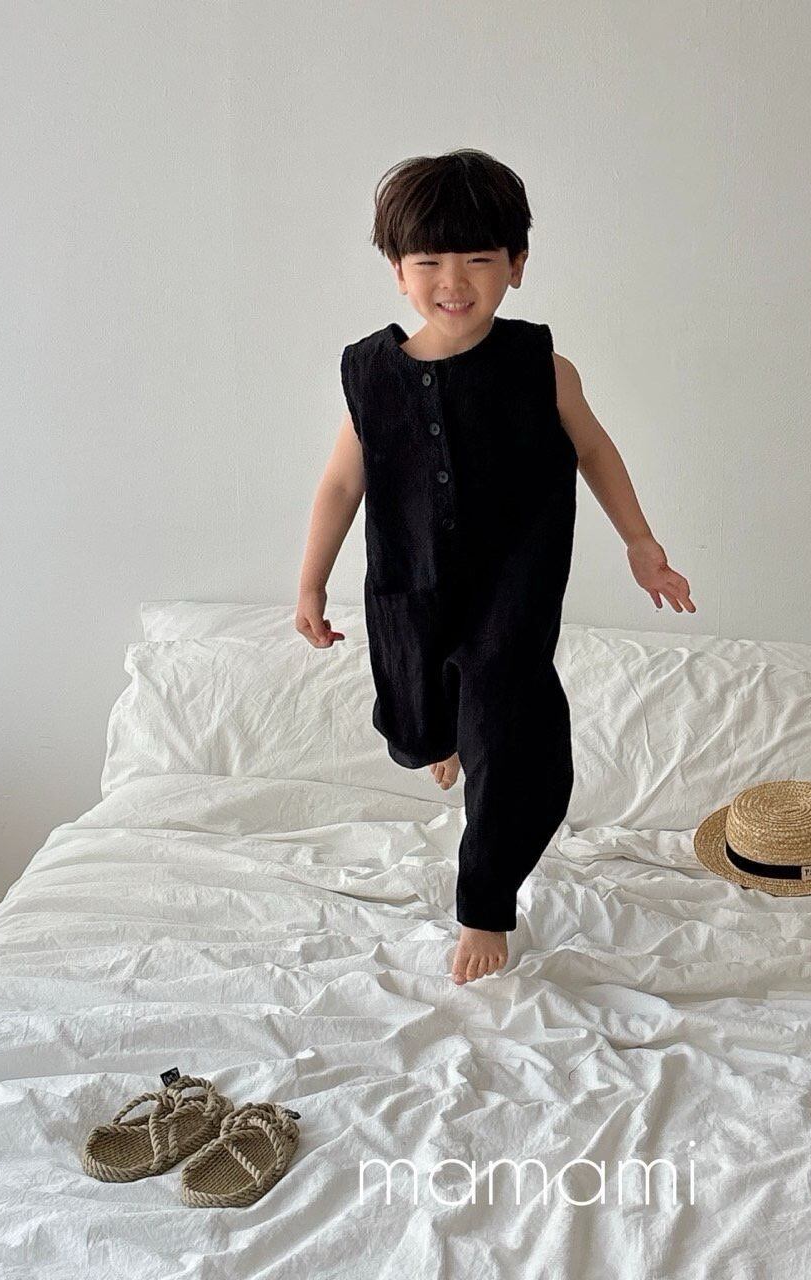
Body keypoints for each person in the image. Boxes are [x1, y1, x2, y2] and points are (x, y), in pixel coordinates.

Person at [296, 149, 695, 985]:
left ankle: (485, 900)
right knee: (417, 726)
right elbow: (341, 482)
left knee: (515, 743)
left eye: (479, 258)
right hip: (409, 585)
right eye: (429, 261)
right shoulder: (370, 373)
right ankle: (447, 734)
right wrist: (310, 581)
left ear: (516, 264)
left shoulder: (542, 367)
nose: (454, 280)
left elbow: (594, 449)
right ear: (398, 272)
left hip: (513, 589)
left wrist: (641, 542)